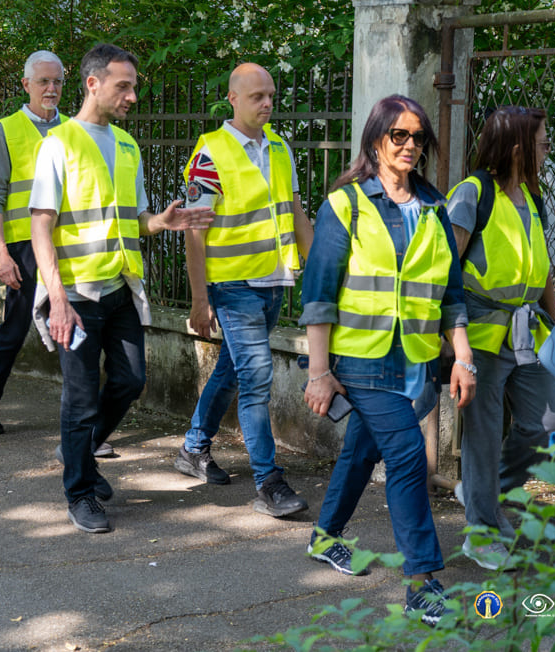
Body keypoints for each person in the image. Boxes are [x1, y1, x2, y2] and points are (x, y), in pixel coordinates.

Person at [299, 95, 475, 625]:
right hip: (361, 359)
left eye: (418, 137)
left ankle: (325, 537)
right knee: (407, 458)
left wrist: (462, 356)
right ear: (375, 139)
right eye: (399, 134)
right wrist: (319, 372)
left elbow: (451, 295)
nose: (409, 145)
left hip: (415, 359)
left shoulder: (435, 207)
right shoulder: (346, 205)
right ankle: (422, 582)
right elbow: (319, 295)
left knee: (362, 450)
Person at [30, 43, 214, 534]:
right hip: (76, 294)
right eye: (123, 86)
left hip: (120, 288)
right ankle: (80, 491)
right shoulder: (58, 143)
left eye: (133, 87)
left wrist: (162, 222)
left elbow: (135, 219)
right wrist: (57, 299)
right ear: (93, 84)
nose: (132, 96)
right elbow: (41, 226)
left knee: (131, 380)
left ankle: (80, 452)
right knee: (80, 399)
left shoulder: (128, 146)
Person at [174, 63, 314, 517]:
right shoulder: (209, 154)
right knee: (256, 378)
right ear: (233, 99)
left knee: (232, 370)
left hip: (273, 281)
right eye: (257, 96)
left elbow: (295, 212)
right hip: (232, 285)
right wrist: (200, 299)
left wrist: (319, 273)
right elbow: (194, 231)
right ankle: (269, 483)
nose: (267, 103)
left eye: (271, 95)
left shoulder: (280, 147)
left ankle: (194, 446)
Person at [447, 106, 555, 570]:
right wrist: (452, 340)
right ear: (518, 149)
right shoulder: (472, 194)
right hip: (480, 332)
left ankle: (481, 491)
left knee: (547, 423)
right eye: (542, 142)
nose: (547, 149)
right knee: (482, 434)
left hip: (527, 331)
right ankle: (481, 533)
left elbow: (543, 265)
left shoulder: (532, 197)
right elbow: (446, 272)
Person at [0, 50, 70, 437]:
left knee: (76, 327)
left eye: (57, 81)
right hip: (23, 246)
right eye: (44, 81)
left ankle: (82, 420)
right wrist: (0, 250)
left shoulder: (74, 130)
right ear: (26, 84)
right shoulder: (8, 129)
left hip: (67, 243)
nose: (51, 88)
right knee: (14, 328)